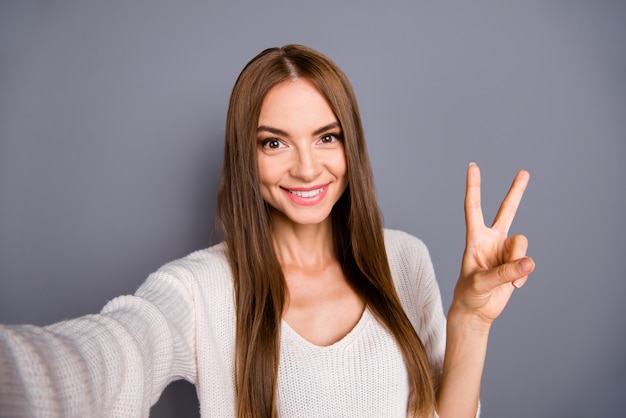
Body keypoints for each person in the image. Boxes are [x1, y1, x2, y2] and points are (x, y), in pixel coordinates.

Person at [0, 44, 534, 417]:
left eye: (327, 137)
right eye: (273, 143)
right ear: (244, 157)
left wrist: (470, 321)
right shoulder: (198, 288)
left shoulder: (406, 260)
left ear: (353, 146)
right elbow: (111, 355)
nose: (306, 168)